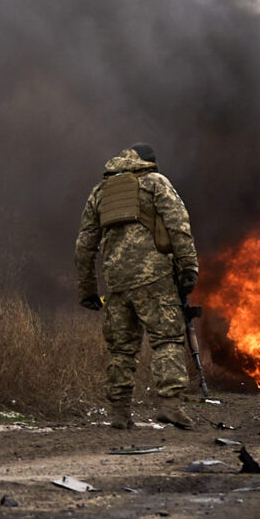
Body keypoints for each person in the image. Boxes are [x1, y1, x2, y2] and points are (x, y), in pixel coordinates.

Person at [74, 143, 202, 431]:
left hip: (117, 283)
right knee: (166, 340)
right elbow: (179, 225)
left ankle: (119, 413)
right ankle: (170, 406)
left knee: (121, 349)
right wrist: (189, 267)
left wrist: (88, 290)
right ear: (148, 163)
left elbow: (84, 246)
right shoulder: (156, 183)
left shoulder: (100, 192)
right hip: (154, 278)